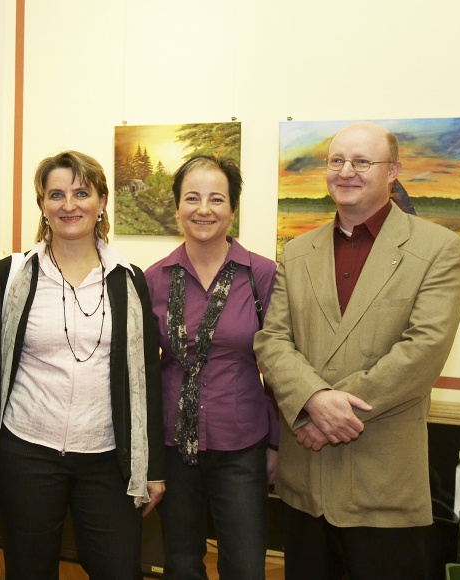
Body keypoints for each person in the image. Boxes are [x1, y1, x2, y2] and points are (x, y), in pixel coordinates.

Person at [253, 122, 460, 580]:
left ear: (394, 171)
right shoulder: (295, 252)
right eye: (336, 161)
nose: (346, 171)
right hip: (305, 485)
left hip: (382, 487)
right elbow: (272, 340)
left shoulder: (438, 248)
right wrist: (312, 402)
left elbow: (423, 350)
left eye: (362, 162)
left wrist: (325, 413)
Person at [0, 150, 165, 580]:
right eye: (56, 194)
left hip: (107, 458)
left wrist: (153, 468)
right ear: (43, 205)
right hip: (27, 451)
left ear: (102, 201)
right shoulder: (13, 275)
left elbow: (146, 375)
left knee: (120, 569)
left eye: (81, 193)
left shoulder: (129, 279)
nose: (69, 205)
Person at [145, 155, 279, 580]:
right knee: (181, 563)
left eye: (216, 198)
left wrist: (275, 444)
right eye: (192, 198)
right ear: (177, 207)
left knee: (244, 563)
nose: (204, 209)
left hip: (242, 444)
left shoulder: (262, 275)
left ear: (233, 209)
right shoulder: (153, 279)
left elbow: (279, 364)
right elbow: (145, 369)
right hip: (173, 446)